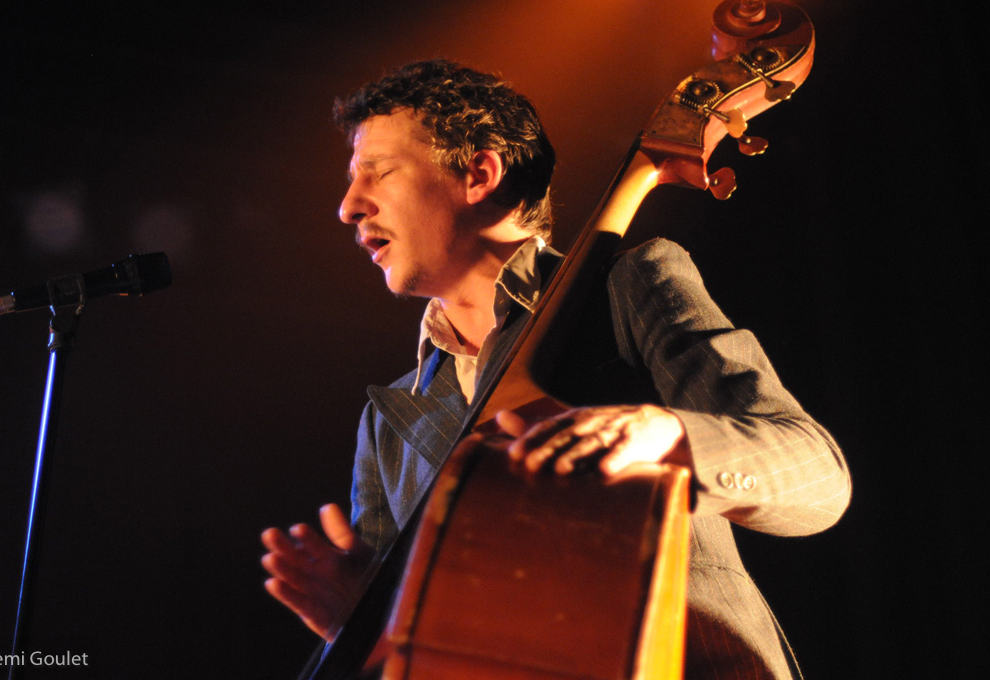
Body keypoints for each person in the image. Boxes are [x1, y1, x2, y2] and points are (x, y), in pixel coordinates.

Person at [260, 59, 850, 679]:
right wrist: (361, 624)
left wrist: (666, 436)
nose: (348, 208)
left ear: (478, 173)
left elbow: (818, 476)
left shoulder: (629, 286)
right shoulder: (388, 420)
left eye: (376, 175)